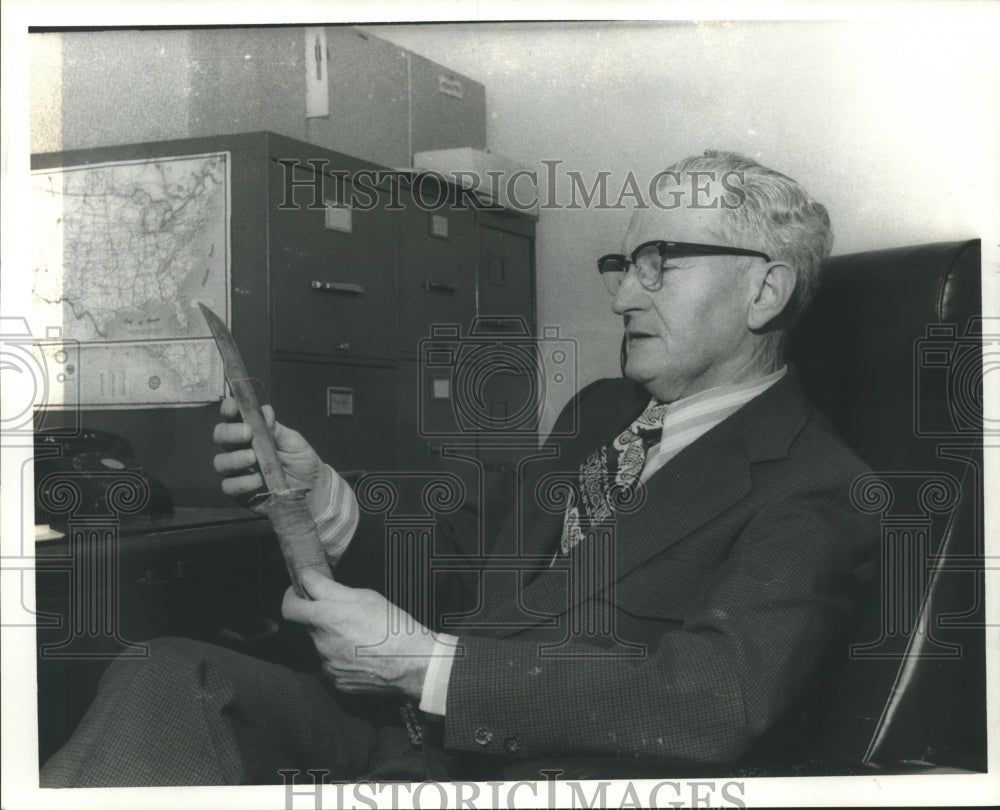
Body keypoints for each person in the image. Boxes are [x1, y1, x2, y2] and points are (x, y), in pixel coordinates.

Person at [40, 151, 878, 786]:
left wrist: (424, 664)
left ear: (765, 292)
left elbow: (711, 699)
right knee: (166, 673)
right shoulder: (600, 414)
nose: (623, 297)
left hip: (538, 776)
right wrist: (320, 498)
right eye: (623, 267)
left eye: (660, 263)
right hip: (413, 743)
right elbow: (473, 553)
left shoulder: (816, 483)